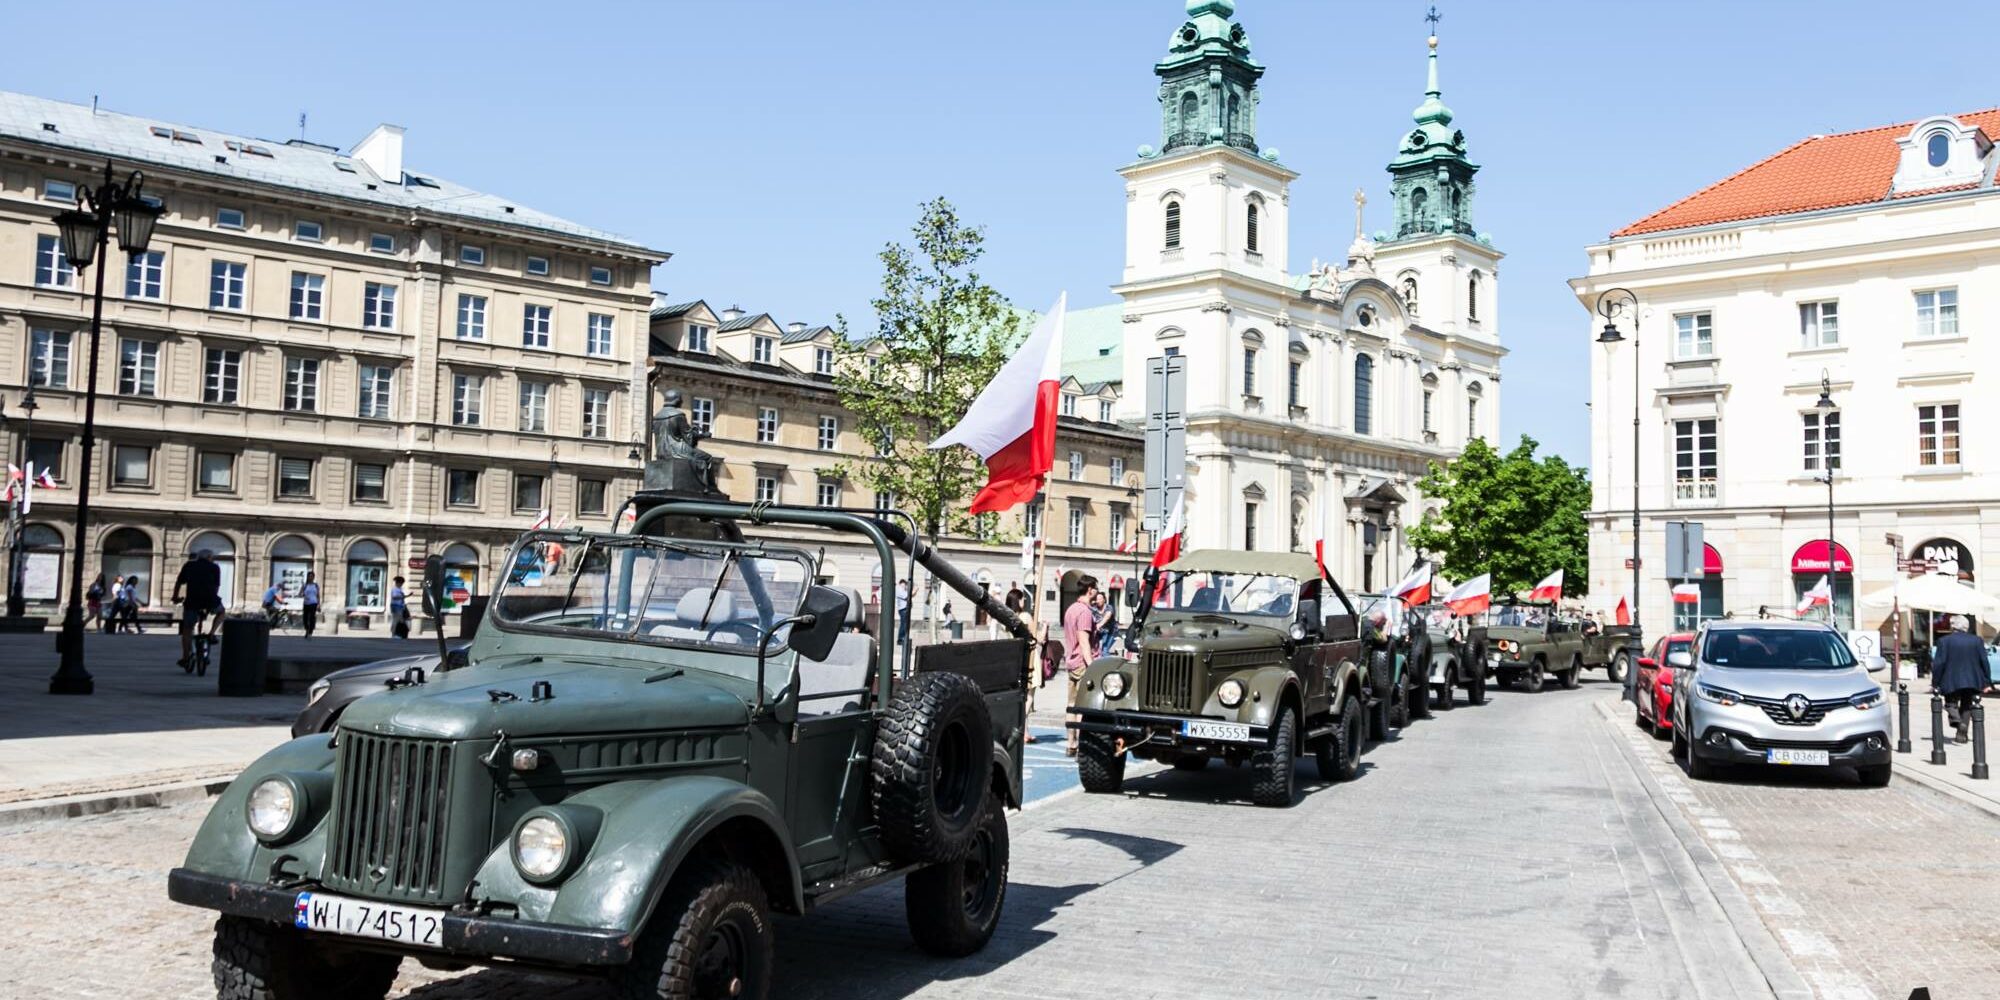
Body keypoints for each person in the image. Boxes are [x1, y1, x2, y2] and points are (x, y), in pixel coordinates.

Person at [1933, 615, 1988, 744]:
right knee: (1967, 706)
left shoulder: (1944, 641)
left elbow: (1939, 663)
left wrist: (1936, 681)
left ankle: (1957, 721)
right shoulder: (1977, 641)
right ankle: (1961, 734)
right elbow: (1984, 661)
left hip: (1951, 679)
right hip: (1972, 679)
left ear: (1953, 626)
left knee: (1950, 703)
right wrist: (1987, 679)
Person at [1063, 575, 1100, 754]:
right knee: (1082, 707)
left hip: (1071, 662)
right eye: (1096, 588)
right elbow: (1084, 643)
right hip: (1082, 664)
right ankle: (1082, 747)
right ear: (1090, 590)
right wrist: (1092, 666)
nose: (1097, 592)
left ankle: (1071, 743)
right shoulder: (1085, 612)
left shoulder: (1071, 609)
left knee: (1071, 704)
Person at [172, 549, 224, 671]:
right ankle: (212, 634)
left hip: (192, 601)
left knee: (187, 629)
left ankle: (185, 658)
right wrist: (213, 600)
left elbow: (179, 583)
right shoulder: (215, 567)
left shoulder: (189, 565)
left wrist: (175, 597)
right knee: (222, 613)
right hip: (210, 600)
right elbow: (216, 586)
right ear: (210, 557)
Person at [300, 573, 321, 639]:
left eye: (312, 576)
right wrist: (304, 595)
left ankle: (310, 632)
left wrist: (318, 604)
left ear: (314, 577)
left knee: (312, 618)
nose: (311, 578)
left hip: (313, 603)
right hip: (306, 603)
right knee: (305, 618)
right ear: (308, 577)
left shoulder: (316, 585)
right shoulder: (305, 585)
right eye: (309, 576)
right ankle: (306, 629)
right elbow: (300, 593)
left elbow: (318, 595)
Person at [894, 578, 910, 645]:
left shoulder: (903, 590)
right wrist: (915, 590)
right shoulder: (899, 590)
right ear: (901, 584)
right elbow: (906, 596)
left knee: (904, 624)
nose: (904, 586)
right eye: (903, 585)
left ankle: (903, 638)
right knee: (903, 624)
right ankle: (901, 639)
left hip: (904, 609)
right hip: (903, 609)